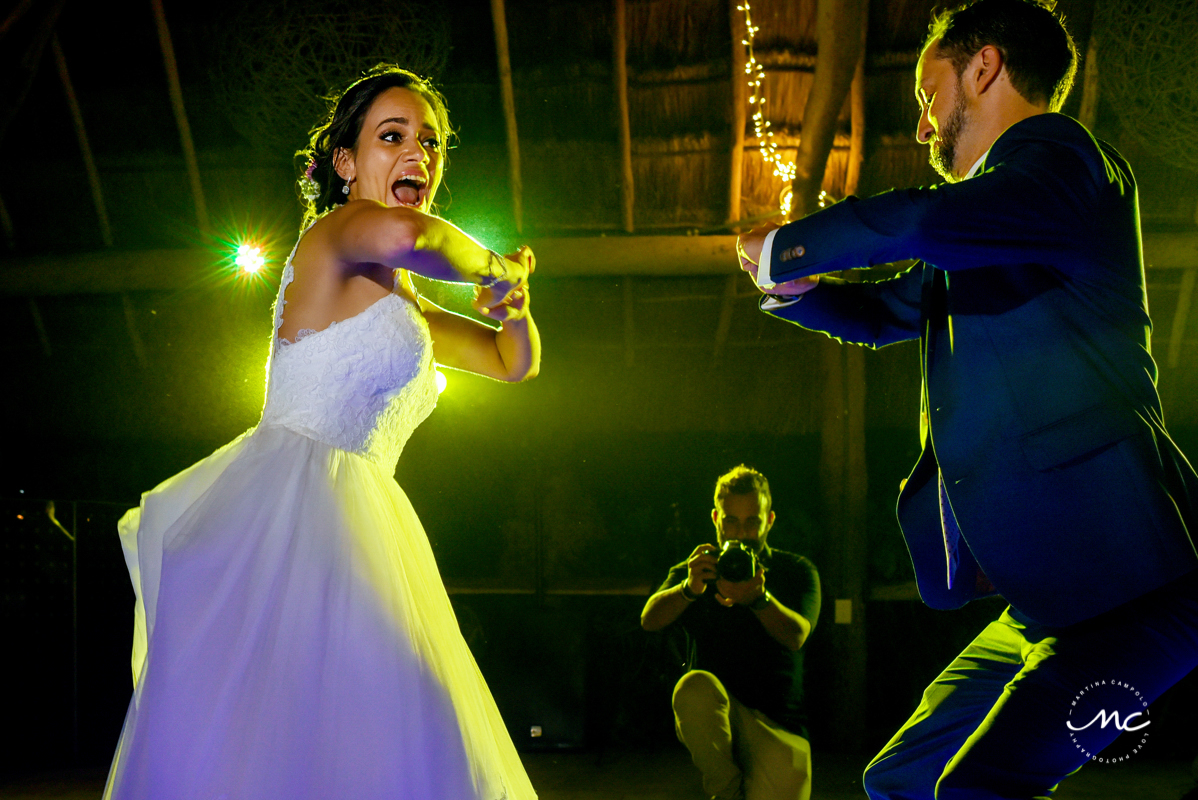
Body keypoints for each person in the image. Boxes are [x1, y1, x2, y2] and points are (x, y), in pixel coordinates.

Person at [735, 1, 1198, 797]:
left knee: (978, 788)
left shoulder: (1063, 159)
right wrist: (794, 290)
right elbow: (884, 313)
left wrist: (786, 244)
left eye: (927, 96)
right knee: (899, 780)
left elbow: (917, 217)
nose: (922, 127)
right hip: (1041, 609)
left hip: (1134, 592)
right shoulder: (988, 233)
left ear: (982, 69)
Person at [103, 65, 540, 800]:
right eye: (392, 137)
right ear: (346, 163)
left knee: (391, 727)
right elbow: (411, 232)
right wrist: (496, 266)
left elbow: (510, 362)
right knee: (314, 727)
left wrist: (516, 305)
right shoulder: (335, 234)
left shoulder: (411, 309)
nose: (419, 156)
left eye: (430, 143)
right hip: (297, 509)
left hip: (367, 519)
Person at [641, 466, 821, 800]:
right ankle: (725, 791)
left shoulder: (794, 570)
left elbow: (797, 635)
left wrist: (758, 600)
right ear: (716, 519)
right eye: (731, 521)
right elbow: (649, 619)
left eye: (752, 522)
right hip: (716, 719)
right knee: (693, 686)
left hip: (778, 724)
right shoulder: (699, 571)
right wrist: (688, 590)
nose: (740, 533)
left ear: (769, 521)